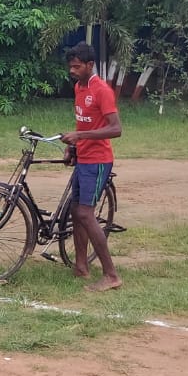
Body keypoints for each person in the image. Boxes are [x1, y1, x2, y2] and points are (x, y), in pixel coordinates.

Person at [59, 43, 123, 292]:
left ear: (90, 65)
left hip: (98, 160)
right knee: (75, 211)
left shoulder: (102, 90)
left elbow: (116, 129)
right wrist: (73, 146)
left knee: (85, 213)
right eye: (70, 67)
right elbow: (83, 122)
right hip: (83, 158)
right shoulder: (78, 87)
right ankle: (81, 266)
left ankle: (111, 274)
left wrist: (81, 136)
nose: (73, 71)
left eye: (77, 67)